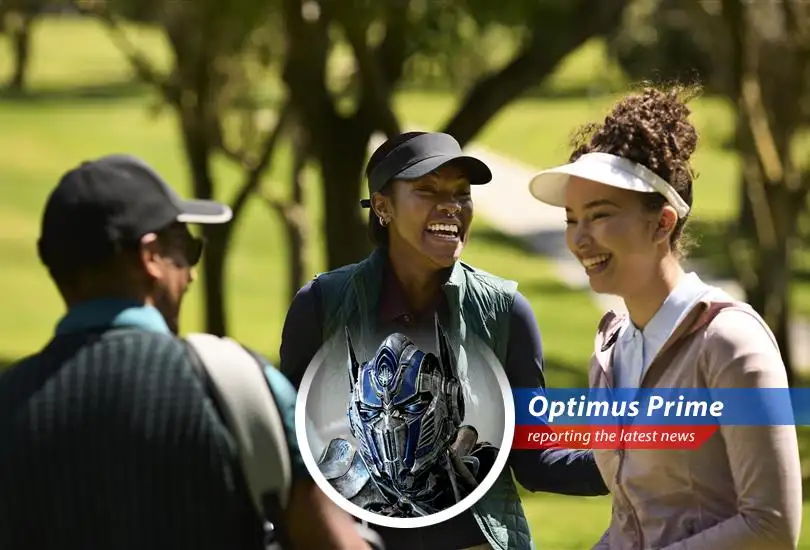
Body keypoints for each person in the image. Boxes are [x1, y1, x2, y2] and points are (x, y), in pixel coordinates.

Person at [0, 154, 369, 550]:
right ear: (151, 257)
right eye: (187, 247)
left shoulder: (9, 403)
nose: (192, 272)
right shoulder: (236, 386)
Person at [280, 131, 609, 550]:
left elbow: (534, 459)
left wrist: (625, 464)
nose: (451, 205)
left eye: (461, 193)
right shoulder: (321, 306)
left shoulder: (504, 312)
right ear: (383, 206)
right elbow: (289, 455)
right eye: (427, 190)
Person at [527, 85, 802, 549]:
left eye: (599, 215)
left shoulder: (729, 342)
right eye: (572, 219)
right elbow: (632, 521)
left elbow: (771, 527)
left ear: (662, 222)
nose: (579, 239)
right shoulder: (610, 354)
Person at [318, 320, 496, 518]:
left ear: (450, 403)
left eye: (411, 407)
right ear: (354, 415)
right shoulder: (335, 477)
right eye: (371, 411)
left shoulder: (480, 469)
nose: (388, 426)